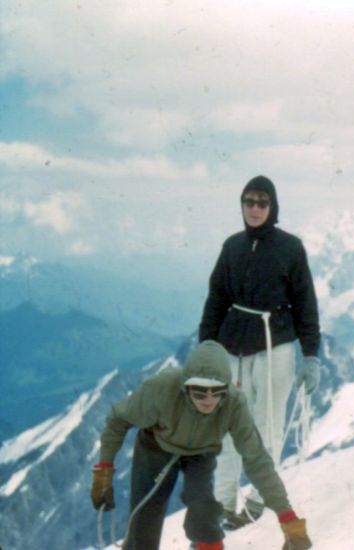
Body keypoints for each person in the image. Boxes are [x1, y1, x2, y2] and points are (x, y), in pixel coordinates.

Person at [90, 340, 312, 550]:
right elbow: (118, 419)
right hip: (156, 448)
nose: (208, 399)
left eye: (217, 391)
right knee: (145, 518)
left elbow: (256, 459)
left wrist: (287, 516)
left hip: (201, 452)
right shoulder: (161, 388)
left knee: (203, 510)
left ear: (228, 387)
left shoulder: (233, 404)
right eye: (199, 391)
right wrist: (104, 471)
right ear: (185, 387)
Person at [198, 175, 322, 529]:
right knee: (227, 428)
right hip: (233, 348)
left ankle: (255, 501)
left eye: (262, 202)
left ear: (273, 207)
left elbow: (305, 305)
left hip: (275, 346)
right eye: (248, 201)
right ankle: (222, 505)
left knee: (268, 425)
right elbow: (216, 300)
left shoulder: (290, 248)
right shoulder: (232, 247)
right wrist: (206, 349)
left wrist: (311, 355)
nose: (254, 208)